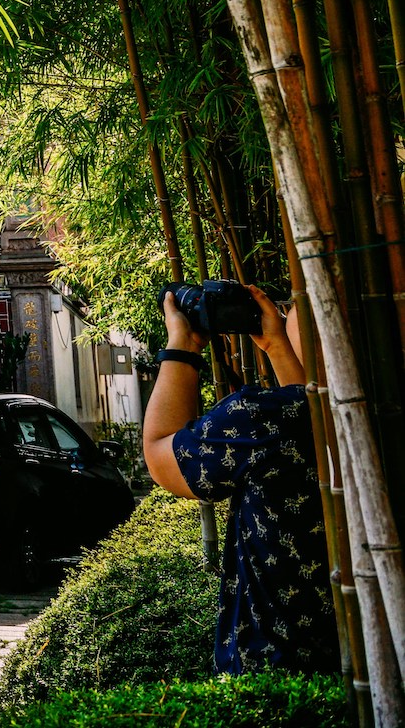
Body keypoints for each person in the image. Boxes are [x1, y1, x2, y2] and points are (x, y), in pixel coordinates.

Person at [142, 283, 338, 674]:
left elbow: (162, 454)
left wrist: (182, 346)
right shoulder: (329, 414)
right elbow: (309, 410)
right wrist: (280, 348)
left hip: (279, 670)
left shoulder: (262, 418)